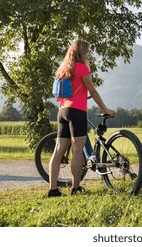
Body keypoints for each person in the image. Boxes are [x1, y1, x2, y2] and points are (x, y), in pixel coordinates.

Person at [48, 40, 115, 197]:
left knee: (58, 151)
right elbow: (93, 90)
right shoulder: (82, 68)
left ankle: (53, 190)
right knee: (77, 150)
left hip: (62, 111)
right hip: (77, 111)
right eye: (87, 51)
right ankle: (75, 188)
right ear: (82, 52)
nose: (89, 54)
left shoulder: (62, 69)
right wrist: (106, 109)